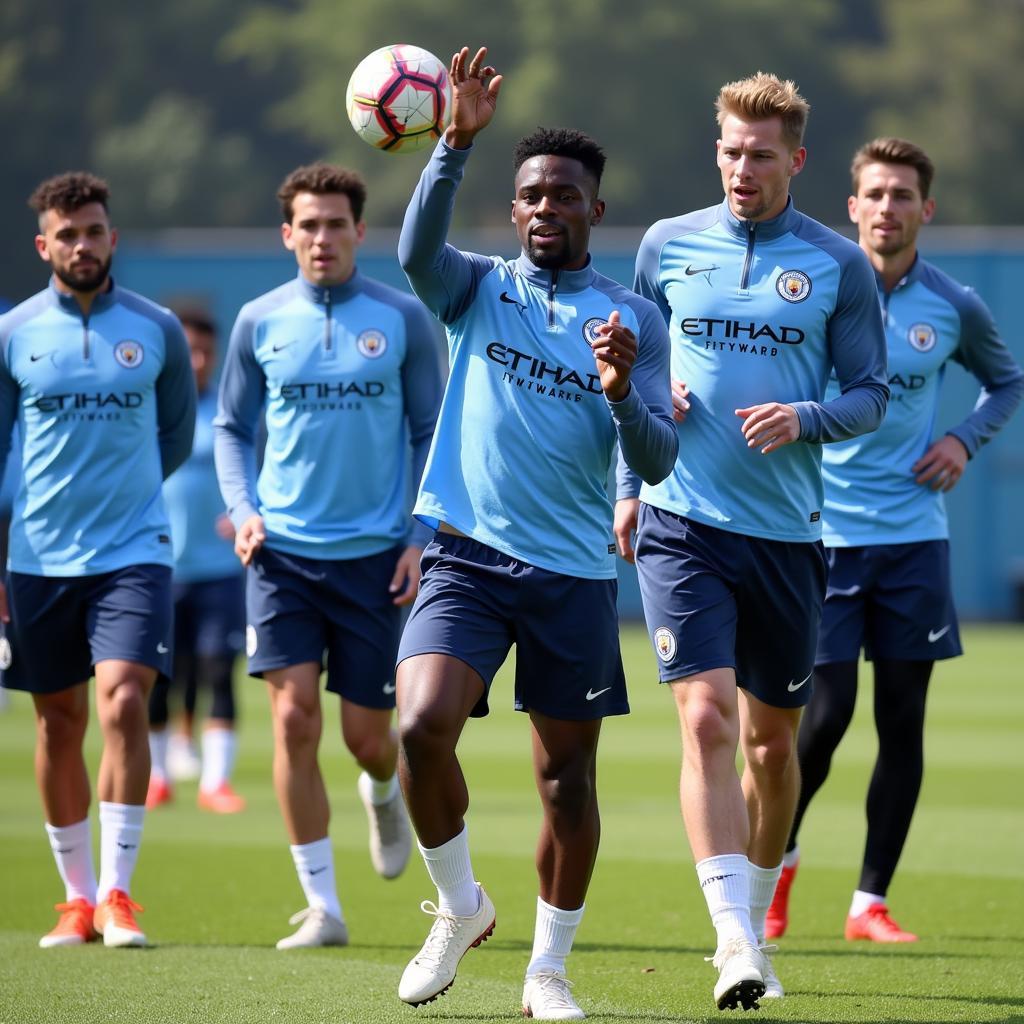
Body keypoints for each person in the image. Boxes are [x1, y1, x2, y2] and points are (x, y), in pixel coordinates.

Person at [395, 46, 677, 1021]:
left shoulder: (631, 316)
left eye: (564, 194)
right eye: (530, 195)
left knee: (566, 782)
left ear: (595, 212)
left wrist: (617, 389)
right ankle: (460, 902)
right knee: (418, 728)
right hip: (466, 560)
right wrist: (451, 148)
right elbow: (413, 256)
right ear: (511, 209)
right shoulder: (477, 289)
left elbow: (656, 460)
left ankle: (547, 969)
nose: (546, 207)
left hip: (571, 576)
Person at [614, 73, 889, 1010]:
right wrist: (628, 481)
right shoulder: (665, 245)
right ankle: (734, 938)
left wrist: (807, 417)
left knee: (773, 750)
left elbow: (871, 396)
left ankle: (760, 913)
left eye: (761, 154)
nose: (742, 167)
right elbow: (634, 375)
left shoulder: (838, 266)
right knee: (704, 722)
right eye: (730, 150)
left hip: (788, 536)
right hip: (681, 522)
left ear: (795, 161)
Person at [766, 137, 1024, 944]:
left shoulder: (954, 305)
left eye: (902, 195)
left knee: (902, 723)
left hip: (915, 541)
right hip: (824, 535)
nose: (887, 208)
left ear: (925, 210)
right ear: (851, 206)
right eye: (874, 193)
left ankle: (868, 904)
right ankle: (775, 866)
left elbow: (1006, 380)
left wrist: (965, 440)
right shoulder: (808, 291)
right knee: (826, 716)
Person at [214, 161, 442, 949]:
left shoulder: (403, 318)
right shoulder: (258, 321)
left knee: (370, 738)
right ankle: (323, 906)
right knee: (292, 719)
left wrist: (421, 537)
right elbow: (230, 431)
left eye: (334, 224)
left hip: (377, 558)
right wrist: (243, 511)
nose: (321, 238)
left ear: (359, 232)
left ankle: (381, 792)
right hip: (281, 555)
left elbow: (430, 435)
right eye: (307, 225)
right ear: (288, 235)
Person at [0, 172, 196, 948]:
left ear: (113, 237)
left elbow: (175, 436)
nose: (83, 245)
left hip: (133, 552)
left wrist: (131, 498)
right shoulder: (13, 333)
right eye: (67, 234)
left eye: (95, 230)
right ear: (44, 245)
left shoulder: (157, 329)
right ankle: (75, 899)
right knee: (58, 723)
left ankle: (118, 894)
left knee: (121, 703)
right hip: (38, 555)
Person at [147, 309, 247, 814]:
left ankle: (216, 782)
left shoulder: (228, 409)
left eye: (206, 350)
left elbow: (259, 465)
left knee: (217, 670)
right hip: (157, 567)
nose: (199, 360)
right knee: (158, 676)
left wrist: (248, 507)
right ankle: (158, 775)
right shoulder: (148, 407)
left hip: (220, 570)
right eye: (189, 349)